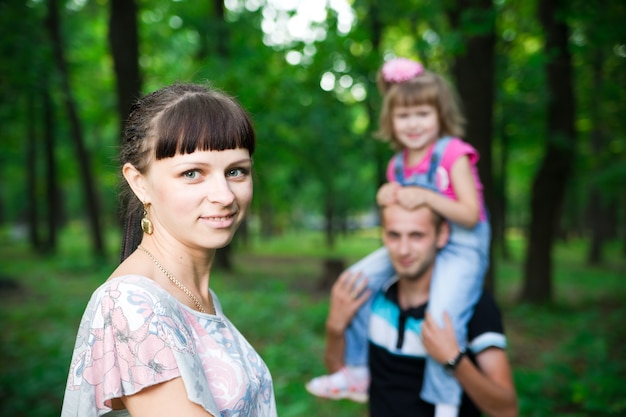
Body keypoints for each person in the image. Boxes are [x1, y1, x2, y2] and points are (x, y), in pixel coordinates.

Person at [61, 83, 277, 417]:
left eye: (236, 171)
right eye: (193, 173)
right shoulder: (132, 306)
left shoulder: (191, 294)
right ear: (139, 182)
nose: (224, 195)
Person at [306, 57, 491, 417]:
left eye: (423, 114)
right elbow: (405, 211)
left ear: (440, 115)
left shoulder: (454, 154)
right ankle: (358, 372)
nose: (414, 124)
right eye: (404, 116)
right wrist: (388, 196)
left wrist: (427, 196)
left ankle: (446, 403)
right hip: (421, 239)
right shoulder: (399, 164)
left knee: (439, 320)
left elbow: (470, 214)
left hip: (462, 246)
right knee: (353, 282)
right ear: (391, 121)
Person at [320, 203, 517, 417]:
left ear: (442, 235)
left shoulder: (473, 305)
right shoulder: (372, 298)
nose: (404, 249)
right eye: (394, 235)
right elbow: (341, 375)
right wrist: (335, 329)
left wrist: (454, 360)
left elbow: (506, 410)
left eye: (417, 236)